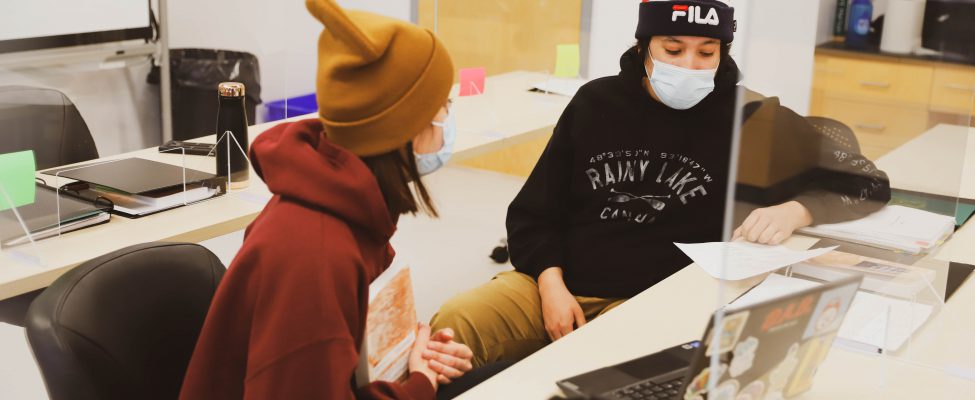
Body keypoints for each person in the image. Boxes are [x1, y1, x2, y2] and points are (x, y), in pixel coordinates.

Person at [431, 0, 890, 368]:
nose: (689, 64)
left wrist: (797, 209)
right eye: (673, 50)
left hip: (655, 302)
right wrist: (551, 284)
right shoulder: (596, 102)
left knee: (605, 367)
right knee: (452, 328)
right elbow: (534, 212)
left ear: (722, 54)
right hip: (557, 282)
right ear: (643, 46)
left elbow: (867, 181)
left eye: (706, 52)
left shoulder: (752, 118)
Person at [180, 1, 495, 398]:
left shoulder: (329, 207)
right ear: (405, 128)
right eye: (442, 108)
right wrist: (417, 386)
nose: (447, 122)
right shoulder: (316, 255)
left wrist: (404, 358)